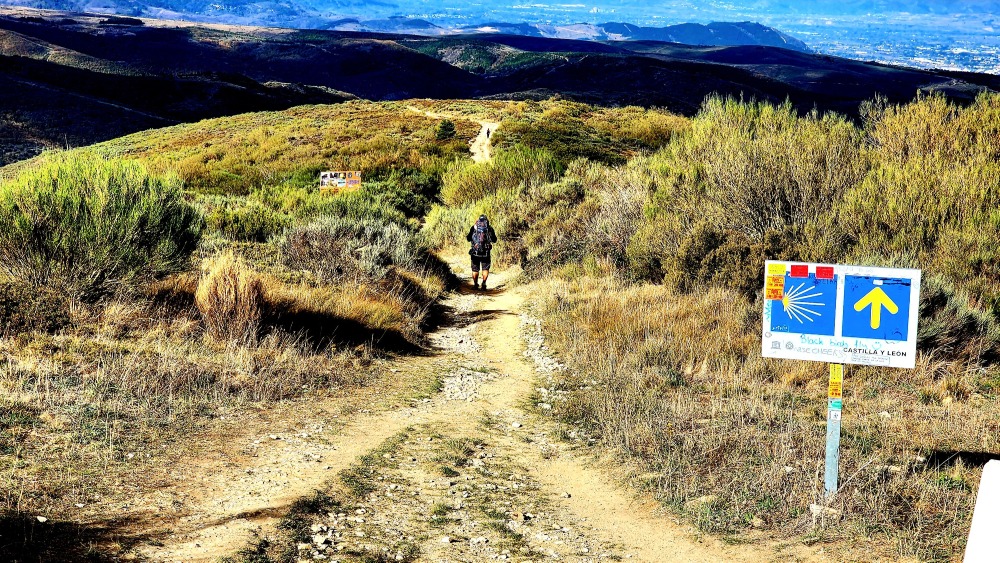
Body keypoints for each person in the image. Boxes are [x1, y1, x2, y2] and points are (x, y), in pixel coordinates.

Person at [466, 214, 498, 290]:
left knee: (475, 269)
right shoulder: (489, 229)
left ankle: (475, 285)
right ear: (487, 221)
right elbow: (494, 240)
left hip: (475, 252)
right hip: (486, 253)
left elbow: (468, 238)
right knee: (485, 269)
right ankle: (484, 283)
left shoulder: (473, 228)